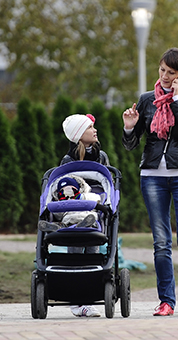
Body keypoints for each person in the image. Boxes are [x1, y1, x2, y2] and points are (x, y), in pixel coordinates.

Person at [122, 47, 178, 317]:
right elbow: (132, 146)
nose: (165, 76)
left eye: (172, 72)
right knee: (160, 242)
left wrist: (177, 99)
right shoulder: (147, 100)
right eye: (162, 70)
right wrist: (130, 127)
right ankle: (166, 301)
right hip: (153, 177)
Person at [60, 113, 110, 317]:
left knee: (92, 251)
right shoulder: (68, 159)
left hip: (94, 208)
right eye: (90, 128)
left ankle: (87, 298)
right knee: (76, 251)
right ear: (80, 135)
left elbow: (107, 183)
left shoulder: (101, 156)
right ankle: (78, 301)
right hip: (75, 205)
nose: (95, 130)